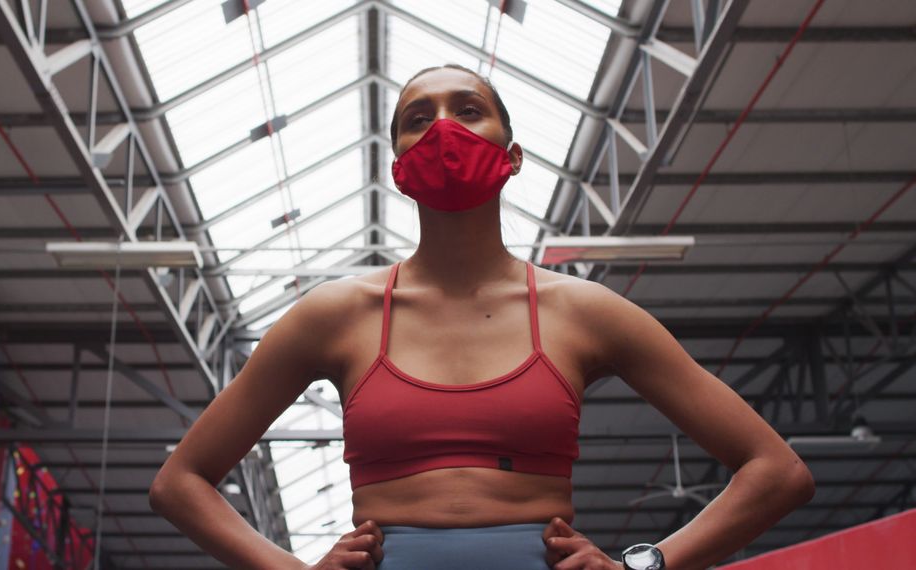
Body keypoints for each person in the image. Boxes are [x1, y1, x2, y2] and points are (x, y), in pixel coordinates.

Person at [148, 63, 815, 570]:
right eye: (419, 118)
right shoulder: (335, 315)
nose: (443, 128)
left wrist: (646, 565)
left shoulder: (584, 314)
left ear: (513, 155)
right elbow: (180, 482)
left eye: (468, 110)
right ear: (400, 170)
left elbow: (776, 472)